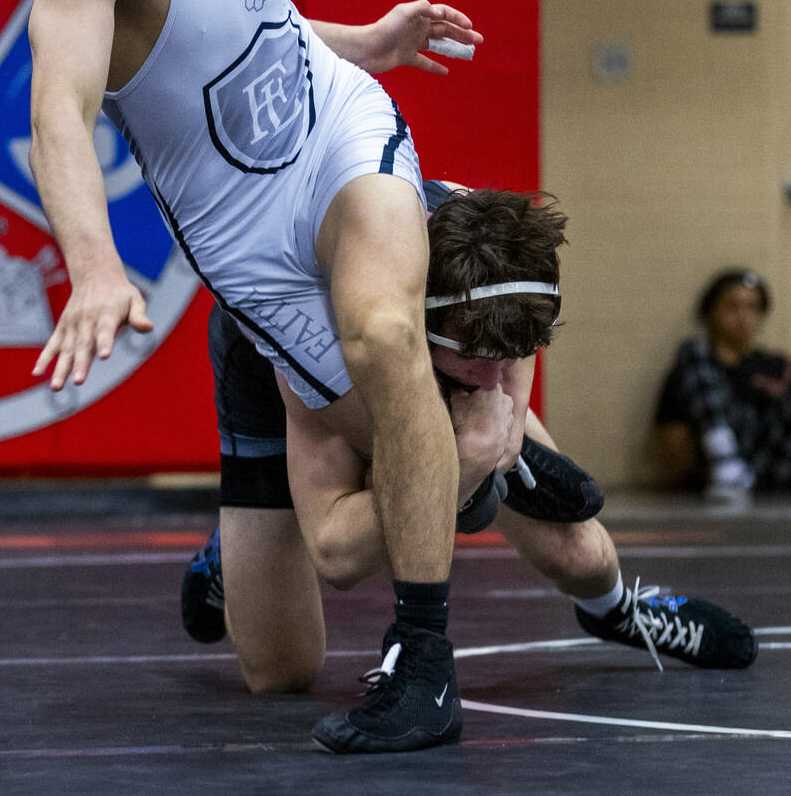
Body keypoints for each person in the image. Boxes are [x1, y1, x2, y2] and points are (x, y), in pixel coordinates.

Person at [28, 0, 487, 755]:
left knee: (388, 344)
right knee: (280, 671)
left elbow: (251, 24)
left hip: (340, 134)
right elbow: (56, 112)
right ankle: (243, 548)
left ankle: (421, 663)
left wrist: (364, 45)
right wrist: (93, 265)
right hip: (250, 240)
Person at [182, 183, 757, 743]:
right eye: (482, 361)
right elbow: (338, 554)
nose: (495, 381)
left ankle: (617, 611)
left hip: (428, 332)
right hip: (286, 358)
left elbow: (517, 325)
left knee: (577, 550)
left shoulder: (488, 243)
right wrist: (465, 465)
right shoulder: (306, 318)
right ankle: (238, 549)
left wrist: (504, 424)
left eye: (505, 359)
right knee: (284, 674)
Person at [656, 268, 791, 500]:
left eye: (752, 307)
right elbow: (672, 442)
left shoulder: (774, 366)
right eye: (733, 306)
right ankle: (725, 458)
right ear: (713, 311)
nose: (743, 317)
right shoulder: (694, 367)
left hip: (772, 471)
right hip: (717, 479)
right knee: (693, 352)